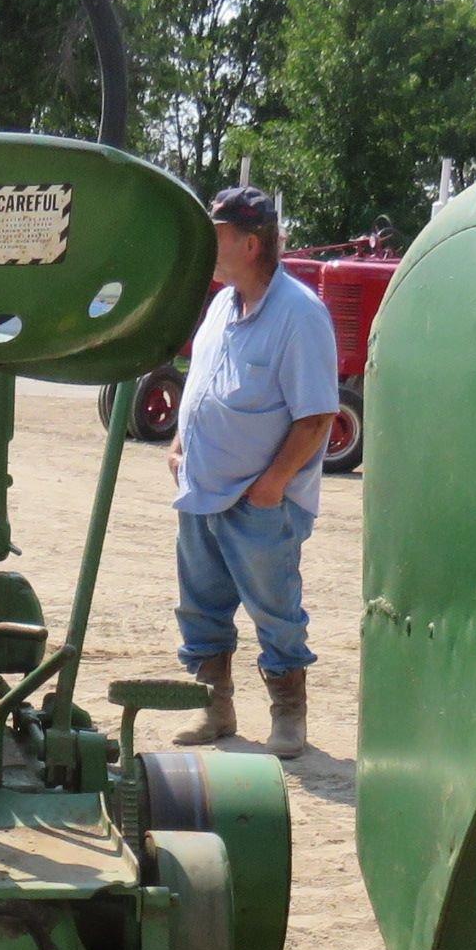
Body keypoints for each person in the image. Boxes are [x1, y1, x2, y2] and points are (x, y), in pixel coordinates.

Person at [165, 183, 338, 760]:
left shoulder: (299, 314)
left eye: (217, 238)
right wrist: (177, 440)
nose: (207, 249)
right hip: (203, 487)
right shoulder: (222, 304)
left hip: (260, 498)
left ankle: (289, 718)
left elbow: (317, 416)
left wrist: (272, 485)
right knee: (200, 607)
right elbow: (201, 385)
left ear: (252, 243)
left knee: (275, 611)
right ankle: (215, 709)